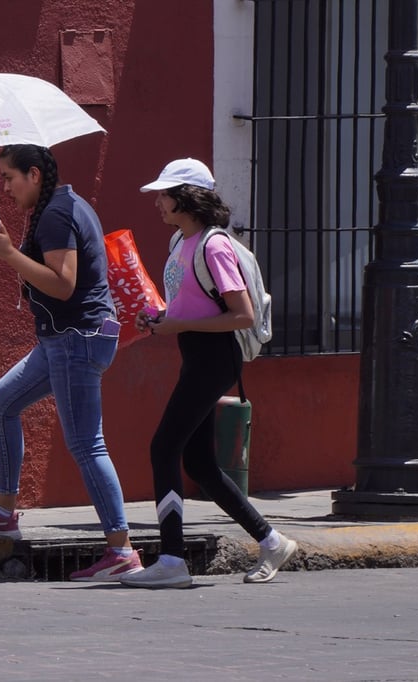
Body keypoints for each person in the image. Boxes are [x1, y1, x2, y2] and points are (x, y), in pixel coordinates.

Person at [0, 144, 141, 582]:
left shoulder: (57, 213)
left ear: (33, 175)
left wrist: (11, 256)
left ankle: (122, 551)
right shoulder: (60, 205)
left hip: (76, 339)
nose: (5, 187)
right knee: (2, 400)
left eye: (9, 178)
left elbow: (63, 284)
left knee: (86, 444)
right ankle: (2, 511)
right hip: (65, 338)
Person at [120, 158, 298, 588]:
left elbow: (242, 314)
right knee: (197, 462)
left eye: (165, 194)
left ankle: (171, 560)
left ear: (187, 198)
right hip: (197, 354)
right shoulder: (180, 241)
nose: (158, 202)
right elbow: (191, 306)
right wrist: (160, 318)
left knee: (164, 447)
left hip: (215, 357)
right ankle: (271, 540)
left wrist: (177, 325)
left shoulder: (213, 246)